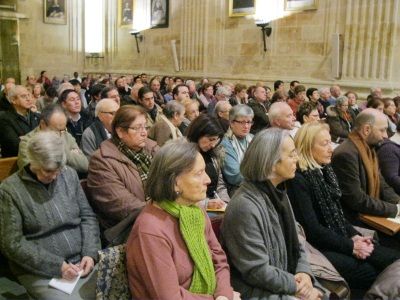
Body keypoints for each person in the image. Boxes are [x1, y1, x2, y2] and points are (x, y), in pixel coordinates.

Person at [287, 122, 400, 290]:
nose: (331, 148)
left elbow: (339, 216)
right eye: (324, 144)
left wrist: (355, 236)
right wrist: (351, 246)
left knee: (392, 258)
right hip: (317, 248)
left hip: (338, 237)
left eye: (329, 142)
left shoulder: (324, 171)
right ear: (307, 146)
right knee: (370, 271)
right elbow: (312, 230)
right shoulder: (298, 180)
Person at [126, 139, 238, 300]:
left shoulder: (194, 210)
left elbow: (218, 260)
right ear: (175, 183)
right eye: (198, 174)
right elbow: (169, 297)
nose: (208, 179)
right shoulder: (150, 231)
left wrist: (223, 294)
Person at [221, 128, 324, 300]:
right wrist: (297, 286)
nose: (297, 159)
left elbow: (296, 244)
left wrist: (304, 272)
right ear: (271, 162)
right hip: (254, 289)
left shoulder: (278, 193)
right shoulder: (244, 206)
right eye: (291, 155)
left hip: (284, 278)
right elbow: (256, 271)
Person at [0, 131, 100, 299]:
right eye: (48, 171)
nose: (55, 176)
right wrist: (57, 265)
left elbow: (87, 216)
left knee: (118, 287)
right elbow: (12, 243)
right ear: (33, 162)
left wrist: (90, 253)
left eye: (59, 170)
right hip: (40, 270)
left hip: (80, 260)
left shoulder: (68, 174)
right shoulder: (10, 190)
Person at [87, 105, 159, 245]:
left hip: (157, 220)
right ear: (120, 131)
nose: (144, 133)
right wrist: (163, 211)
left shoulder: (152, 148)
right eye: (137, 128)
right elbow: (122, 205)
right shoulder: (102, 161)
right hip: (129, 230)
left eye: (145, 127)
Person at [331, 109, 400, 225]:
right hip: (356, 221)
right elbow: (356, 199)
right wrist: (395, 210)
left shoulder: (369, 148)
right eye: (382, 130)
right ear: (366, 129)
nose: (386, 136)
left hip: (369, 213)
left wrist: (398, 202)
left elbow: (382, 184)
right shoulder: (346, 154)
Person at [18, 104, 88, 175]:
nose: (60, 135)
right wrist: (70, 153)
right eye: (56, 130)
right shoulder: (27, 142)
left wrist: (64, 150)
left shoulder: (65, 135)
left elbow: (85, 165)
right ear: (43, 124)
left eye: (63, 129)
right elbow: (33, 173)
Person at [186, 114, 230, 207]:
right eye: (210, 139)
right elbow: (182, 192)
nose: (213, 145)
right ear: (198, 134)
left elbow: (220, 185)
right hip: (194, 205)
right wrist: (206, 203)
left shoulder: (214, 154)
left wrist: (225, 202)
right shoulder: (183, 156)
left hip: (214, 204)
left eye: (216, 140)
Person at [221, 104, 254, 196]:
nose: (246, 126)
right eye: (242, 122)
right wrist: (259, 175)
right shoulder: (225, 143)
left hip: (255, 185)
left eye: (249, 122)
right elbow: (235, 175)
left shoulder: (253, 138)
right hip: (238, 190)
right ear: (231, 123)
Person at [0, 85, 40, 157]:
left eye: (29, 95)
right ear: (13, 100)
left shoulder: (37, 116)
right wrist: (37, 139)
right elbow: (15, 146)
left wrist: (24, 139)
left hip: (37, 158)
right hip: (14, 162)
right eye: (23, 96)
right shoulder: (4, 118)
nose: (28, 99)